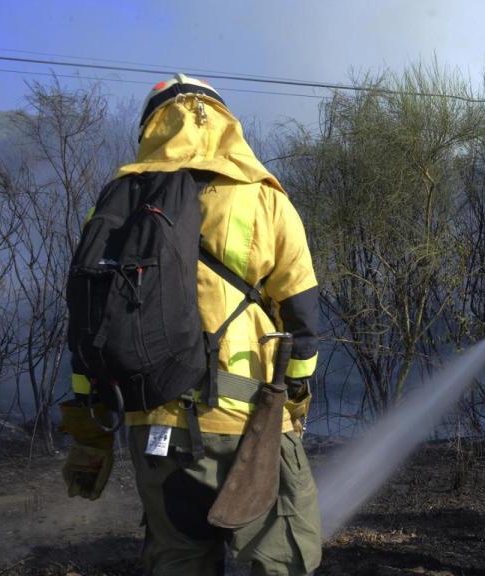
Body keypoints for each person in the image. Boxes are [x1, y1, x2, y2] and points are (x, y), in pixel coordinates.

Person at [60, 74, 322, 575]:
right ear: (227, 125)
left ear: (151, 126)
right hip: (249, 420)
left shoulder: (118, 200)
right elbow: (302, 314)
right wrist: (293, 402)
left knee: (178, 557)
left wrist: (89, 431)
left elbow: (88, 319)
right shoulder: (264, 198)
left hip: (154, 423)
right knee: (281, 555)